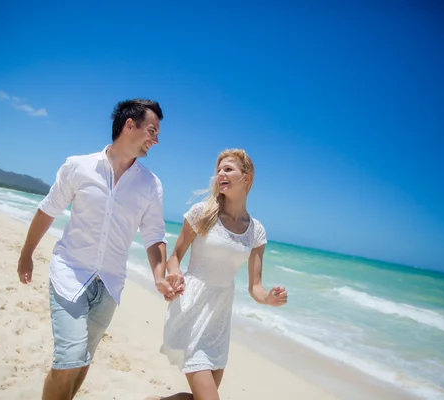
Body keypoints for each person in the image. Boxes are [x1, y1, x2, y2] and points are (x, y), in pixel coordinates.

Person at [16, 98, 181, 400]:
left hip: (110, 284)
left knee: (82, 360)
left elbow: (154, 236)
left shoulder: (151, 185)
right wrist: (27, 253)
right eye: (152, 131)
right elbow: (48, 209)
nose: (155, 141)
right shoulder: (78, 166)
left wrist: (159, 275)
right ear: (129, 125)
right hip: (70, 272)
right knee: (70, 357)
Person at [149, 149, 288, 400]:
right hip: (191, 306)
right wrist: (175, 273)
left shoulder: (256, 231)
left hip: (219, 318)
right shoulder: (202, 213)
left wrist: (268, 298)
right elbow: (175, 256)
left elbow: (255, 286)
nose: (220, 174)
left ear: (246, 178)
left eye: (228, 169)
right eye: (219, 170)